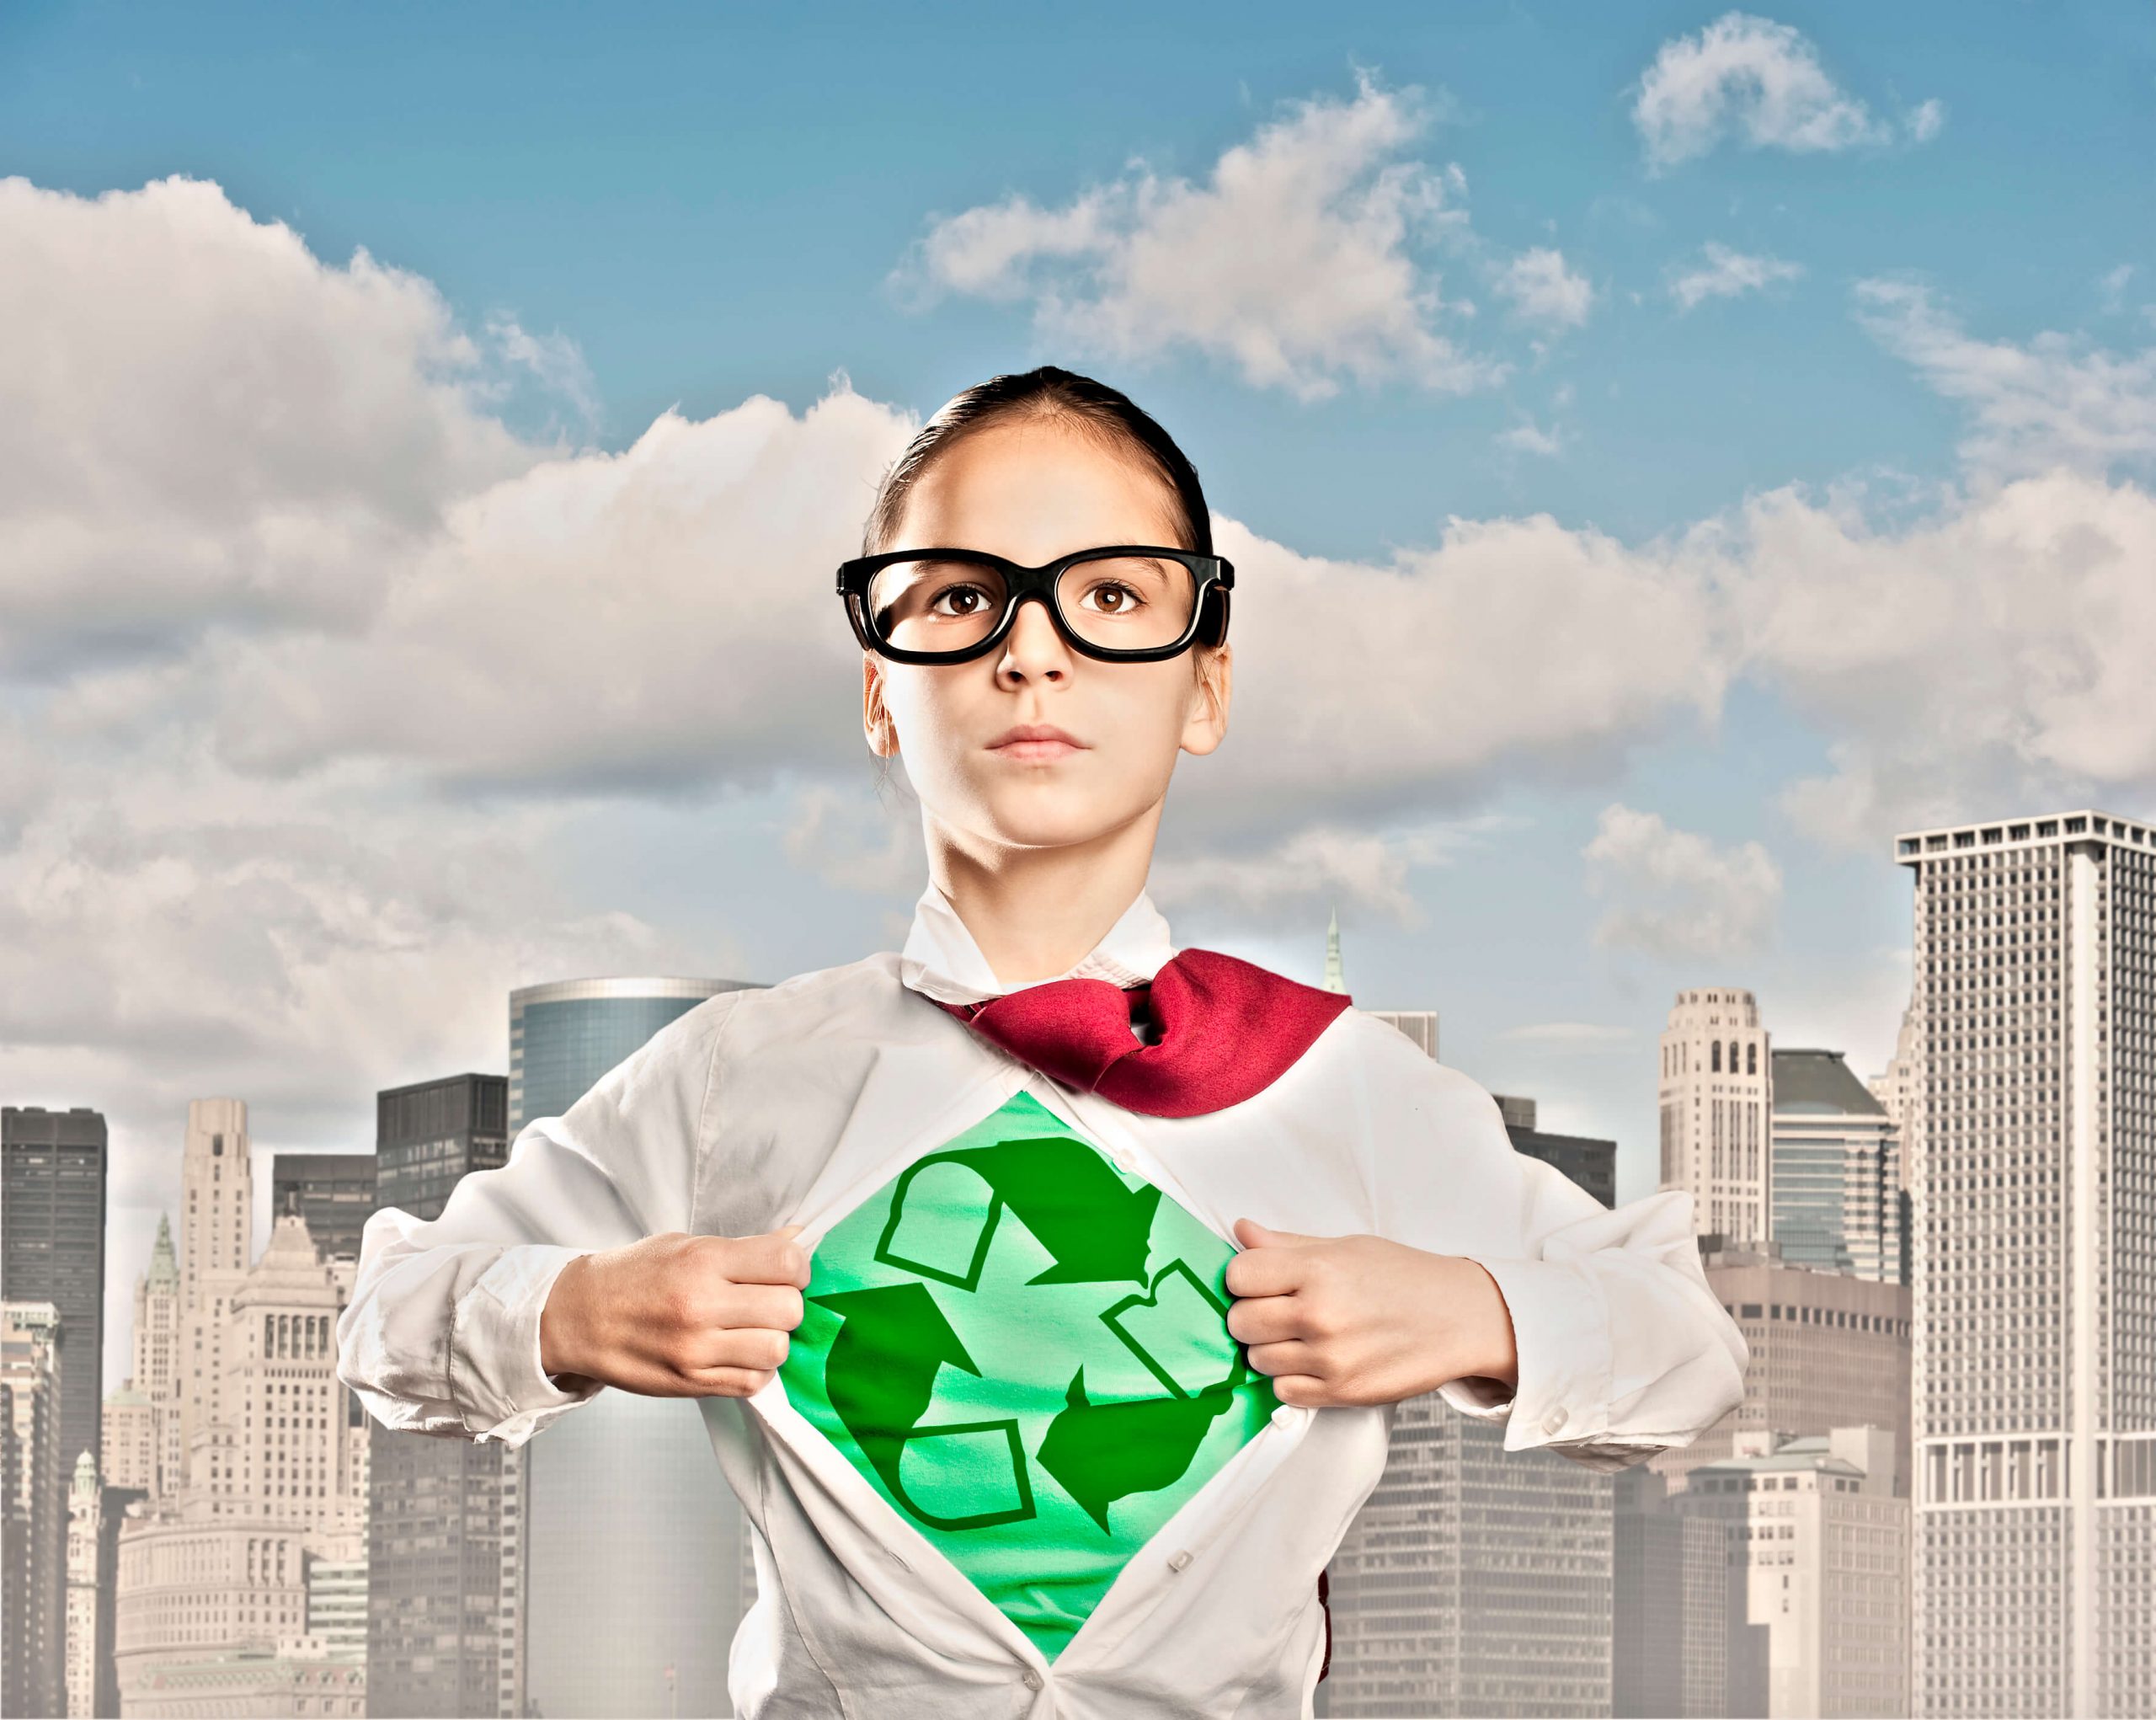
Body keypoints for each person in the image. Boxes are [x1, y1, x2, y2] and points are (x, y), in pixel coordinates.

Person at [335, 365, 1749, 1720]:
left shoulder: (1344, 1084)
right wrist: (573, 1310)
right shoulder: (732, 1077)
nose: (1033, 650)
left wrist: (1475, 1313)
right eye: (960, 597)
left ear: (1205, 684)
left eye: (1111, 595)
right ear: (882, 688)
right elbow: (386, 1322)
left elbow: (1687, 1344)